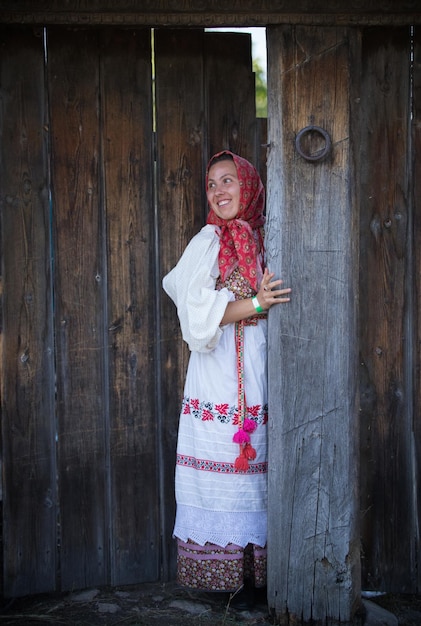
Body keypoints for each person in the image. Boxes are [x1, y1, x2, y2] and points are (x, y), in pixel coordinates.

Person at [162, 150, 291, 609]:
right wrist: (254, 305)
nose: (219, 192)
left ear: (249, 186)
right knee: (225, 468)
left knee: (260, 472)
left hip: (257, 365)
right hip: (216, 372)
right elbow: (195, 314)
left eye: (229, 180)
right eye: (212, 184)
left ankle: (262, 574)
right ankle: (226, 579)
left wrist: (259, 306)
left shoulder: (268, 238)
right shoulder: (207, 242)